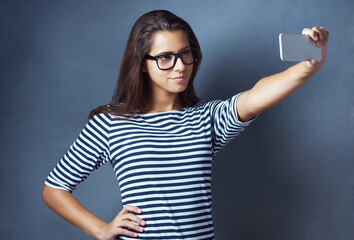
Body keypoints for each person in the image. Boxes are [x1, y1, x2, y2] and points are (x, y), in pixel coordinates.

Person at [42, 9, 329, 240]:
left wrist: (307, 66)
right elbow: (54, 189)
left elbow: (256, 96)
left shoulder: (206, 118)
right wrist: (101, 229)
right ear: (142, 63)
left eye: (185, 53)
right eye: (165, 57)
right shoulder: (109, 124)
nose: (180, 66)